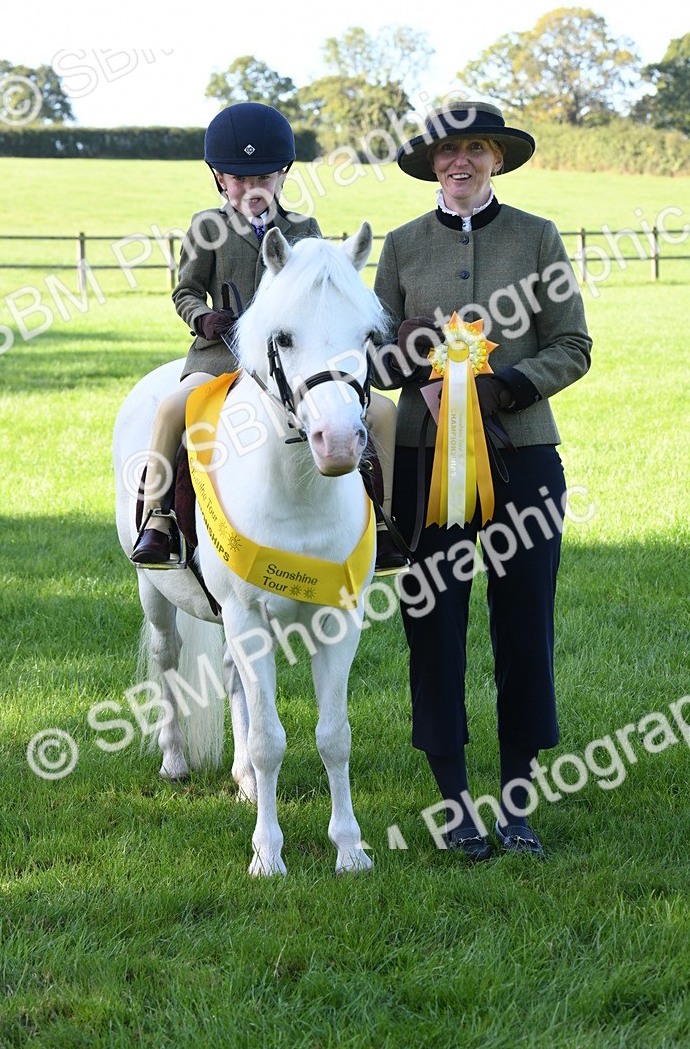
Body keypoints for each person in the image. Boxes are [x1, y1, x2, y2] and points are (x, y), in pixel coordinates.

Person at [373, 99, 592, 860]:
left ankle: (519, 805)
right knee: (433, 630)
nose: (458, 161)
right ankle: (456, 803)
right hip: (423, 468)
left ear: (496, 159)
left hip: (525, 461)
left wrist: (508, 387)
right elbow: (372, 360)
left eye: (473, 150)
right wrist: (404, 350)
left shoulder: (537, 237)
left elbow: (573, 345)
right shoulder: (400, 247)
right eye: (444, 152)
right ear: (431, 165)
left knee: (524, 627)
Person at [130, 101, 402, 572]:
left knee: (382, 412)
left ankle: (381, 519)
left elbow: (323, 296)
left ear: (282, 176)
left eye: (264, 178)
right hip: (221, 358)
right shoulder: (206, 228)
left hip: (295, 361)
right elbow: (185, 290)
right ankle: (159, 519)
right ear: (219, 178)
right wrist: (202, 319)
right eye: (240, 179)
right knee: (174, 407)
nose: (252, 188)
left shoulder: (304, 229)